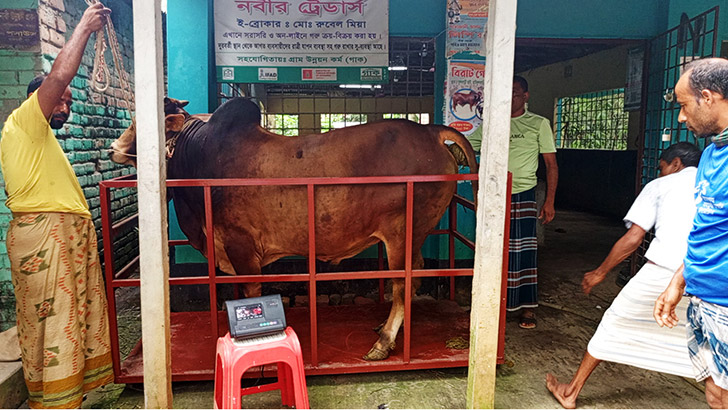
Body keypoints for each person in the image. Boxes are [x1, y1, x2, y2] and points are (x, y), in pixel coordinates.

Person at [0, 3, 113, 408]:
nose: (65, 106)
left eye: (68, 102)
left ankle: (68, 395)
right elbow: (61, 74)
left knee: (71, 319)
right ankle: (55, 402)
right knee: (57, 322)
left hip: (65, 235)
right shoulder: (25, 122)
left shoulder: (42, 140)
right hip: (47, 237)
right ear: (40, 99)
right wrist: (83, 26)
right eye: (59, 100)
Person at [545, 142, 702, 409]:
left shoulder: (661, 186)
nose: (661, 172)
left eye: (662, 167)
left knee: (612, 324)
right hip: (705, 274)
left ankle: (570, 392)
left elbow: (633, 239)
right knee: (706, 339)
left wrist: (599, 272)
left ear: (675, 164)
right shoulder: (717, 186)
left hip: (662, 271)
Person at [655, 57, 728, 409]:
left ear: (708, 97)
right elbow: (707, 227)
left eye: (684, 105)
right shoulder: (713, 154)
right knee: (715, 391)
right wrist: (679, 279)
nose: (681, 117)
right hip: (704, 298)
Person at [467, 75, 559, 328]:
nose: (511, 98)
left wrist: (549, 201)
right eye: (507, 93)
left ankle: (527, 307)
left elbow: (551, 165)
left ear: (526, 96)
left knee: (524, 253)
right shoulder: (492, 125)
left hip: (523, 195)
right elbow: (466, 148)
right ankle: (493, 305)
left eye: (515, 93)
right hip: (493, 197)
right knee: (493, 251)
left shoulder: (538, 124)